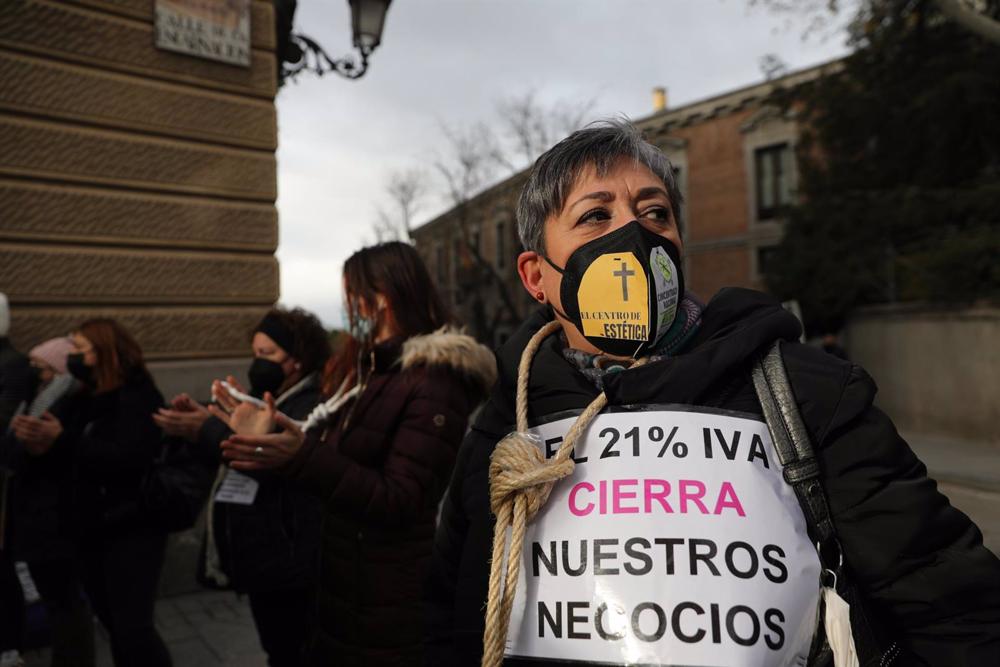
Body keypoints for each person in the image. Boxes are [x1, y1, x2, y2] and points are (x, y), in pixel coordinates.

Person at [426, 120, 1000, 666]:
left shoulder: (805, 391)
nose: (634, 234)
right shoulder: (507, 416)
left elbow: (949, 601)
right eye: (595, 216)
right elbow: (452, 607)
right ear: (536, 277)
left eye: (655, 212)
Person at [218, 241, 497, 666]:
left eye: (351, 296)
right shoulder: (372, 370)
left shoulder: (434, 382)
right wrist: (274, 434)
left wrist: (300, 456)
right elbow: (339, 459)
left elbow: (401, 497)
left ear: (380, 298)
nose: (348, 310)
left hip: (386, 595)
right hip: (347, 583)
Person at [154, 307, 330, 667]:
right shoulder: (263, 397)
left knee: (292, 651)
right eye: (255, 353)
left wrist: (205, 429)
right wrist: (201, 419)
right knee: (277, 649)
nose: (258, 363)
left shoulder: (309, 405)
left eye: (268, 354)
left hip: (290, 561)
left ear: (298, 359)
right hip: (264, 556)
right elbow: (231, 440)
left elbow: (263, 459)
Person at [11, 319, 171, 667]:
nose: (75, 357)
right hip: (90, 528)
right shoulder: (83, 396)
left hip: (131, 528)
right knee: (115, 626)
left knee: (133, 630)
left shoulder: (137, 396)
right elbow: (69, 453)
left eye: (82, 350)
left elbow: (127, 458)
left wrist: (61, 440)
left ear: (105, 354)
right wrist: (40, 443)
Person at [2, 337, 94, 667]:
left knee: (65, 604)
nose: (35, 374)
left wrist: (45, 444)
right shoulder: (36, 400)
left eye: (42, 368)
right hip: (37, 517)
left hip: (55, 520)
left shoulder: (66, 404)